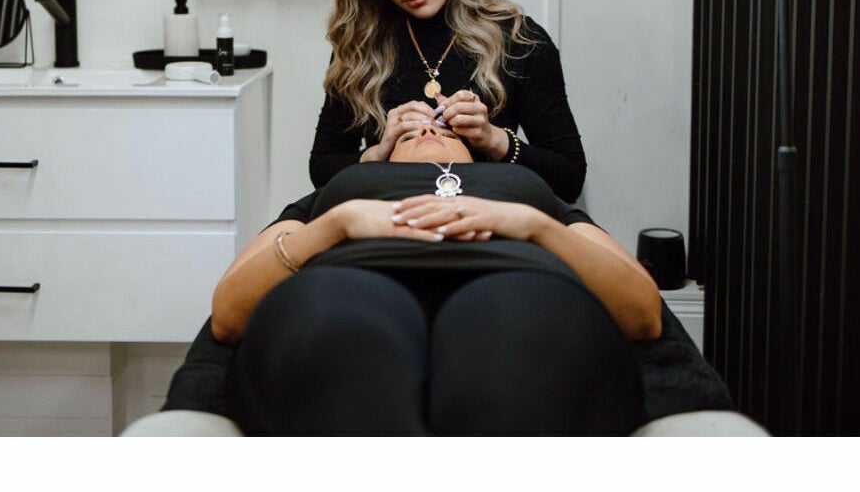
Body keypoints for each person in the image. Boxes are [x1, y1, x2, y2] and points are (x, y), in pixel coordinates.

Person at [211, 120, 661, 436]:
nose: (428, 130)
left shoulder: (524, 187)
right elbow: (228, 313)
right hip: (354, 278)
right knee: (342, 328)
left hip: (516, 278)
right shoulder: (343, 189)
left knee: (518, 325)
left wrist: (534, 225)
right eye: (410, 134)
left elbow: (644, 312)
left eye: (446, 131)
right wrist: (336, 224)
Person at [310, 0, 587, 203]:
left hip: (493, 225)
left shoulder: (520, 42)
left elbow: (570, 179)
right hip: (389, 224)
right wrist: (378, 154)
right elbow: (321, 170)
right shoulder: (363, 48)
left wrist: (493, 139)